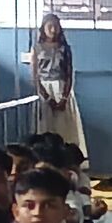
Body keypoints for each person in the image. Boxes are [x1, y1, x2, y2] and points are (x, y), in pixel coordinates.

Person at [27, 14, 80, 148]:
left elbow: (69, 73)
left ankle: (66, 154)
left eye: (56, 26)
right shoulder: (36, 48)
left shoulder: (65, 48)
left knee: (64, 127)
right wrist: (46, 97)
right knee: (46, 126)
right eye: (50, 26)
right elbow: (35, 76)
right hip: (44, 90)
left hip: (62, 90)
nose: (53, 30)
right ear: (43, 28)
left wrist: (64, 98)